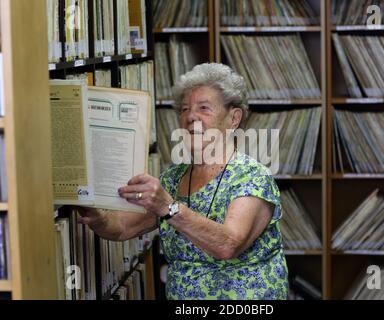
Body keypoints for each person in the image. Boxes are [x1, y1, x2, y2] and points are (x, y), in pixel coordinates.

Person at [78, 63, 289, 300]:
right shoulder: (173, 178)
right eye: (185, 109)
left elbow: (228, 245)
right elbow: (124, 227)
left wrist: (169, 208)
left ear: (233, 118)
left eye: (204, 108)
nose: (191, 117)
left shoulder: (252, 176)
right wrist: (99, 218)